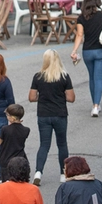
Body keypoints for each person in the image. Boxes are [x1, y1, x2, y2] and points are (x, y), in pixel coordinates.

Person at [26, 50, 75, 185]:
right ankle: (63, 173)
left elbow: (31, 97)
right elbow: (71, 98)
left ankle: (38, 172)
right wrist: (59, 96)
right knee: (62, 144)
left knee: (44, 145)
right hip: (60, 114)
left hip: (43, 115)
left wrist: (43, 97)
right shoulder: (64, 77)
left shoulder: (38, 77)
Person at [68, 0, 102, 114]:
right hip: (101, 50)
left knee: (92, 77)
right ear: (98, 1)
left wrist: (74, 50)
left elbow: (80, 35)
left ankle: (94, 104)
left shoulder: (82, 17)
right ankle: (96, 106)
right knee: (98, 78)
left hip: (87, 51)